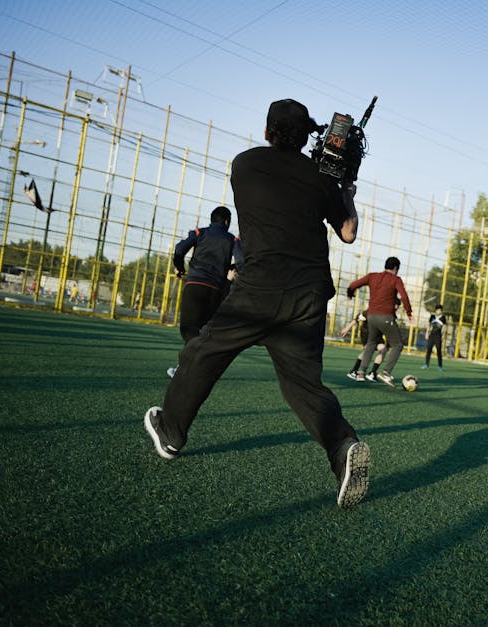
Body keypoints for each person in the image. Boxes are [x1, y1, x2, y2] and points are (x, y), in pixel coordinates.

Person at [143, 98, 370, 508]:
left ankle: (172, 432)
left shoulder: (244, 164)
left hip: (258, 287)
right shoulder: (321, 180)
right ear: (306, 137)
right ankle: (343, 448)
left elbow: (280, 186)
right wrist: (346, 190)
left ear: (267, 131)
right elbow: (349, 233)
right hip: (309, 296)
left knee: (203, 353)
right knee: (303, 386)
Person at [167, 205, 244, 377]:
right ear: (227, 221)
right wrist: (228, 270)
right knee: (202, 330)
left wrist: (179, 267)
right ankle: (187, 367)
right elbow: (242, 263)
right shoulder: (233, 240)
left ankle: (188, 369)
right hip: (216, 290)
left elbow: (179, 250)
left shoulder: (200, 233)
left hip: (195, 285)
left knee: (189, 329)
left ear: (211, 219)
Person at [346, 257, 413, 387]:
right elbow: (403, 296)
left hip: (371, 316)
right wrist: (409, 313)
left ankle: (361, 372)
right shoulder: (395, 279)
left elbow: (354, 285)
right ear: (395, 269)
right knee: (398, 345)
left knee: (371, 343)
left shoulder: (372, 276)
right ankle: (386, 372)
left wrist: (350, 293)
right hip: (385, 317)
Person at [340, 308, 386, 381]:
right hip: (366, 333)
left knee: (383, 349)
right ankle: (354, 371)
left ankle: (372, 373)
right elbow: (356, 319)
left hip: (377, 335)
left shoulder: (389, 313)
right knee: (368, 351)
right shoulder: (370, 311)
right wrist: (347, 328)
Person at [422, 304, 447, 370]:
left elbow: (444, 327)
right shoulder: (432, 316)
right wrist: (427, 333)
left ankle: (440, 366)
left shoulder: (443, 318)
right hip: (432, 335)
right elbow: (429, 324)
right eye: (438, 310)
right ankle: (426, 365)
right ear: (436, 310)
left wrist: (443, 335)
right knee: (429, 350)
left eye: (440, 310)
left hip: (438, 336)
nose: (439, 311)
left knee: (439, 351)